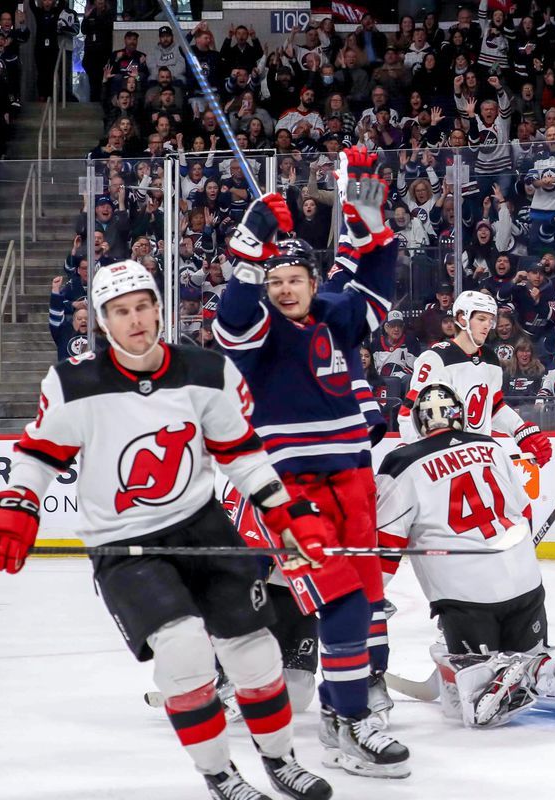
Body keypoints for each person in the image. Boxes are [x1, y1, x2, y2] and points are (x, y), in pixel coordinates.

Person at [0, 260, 332, 800]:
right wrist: (17, 501)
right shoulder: (74, 384)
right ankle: (219, 773)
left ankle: (280, 760)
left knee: (256, 653)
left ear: (159, 308)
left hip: (202, 526)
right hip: (124, 543)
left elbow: (240, 452)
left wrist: (285, 509)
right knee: (184, 653)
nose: (136, 320)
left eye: (143, 306)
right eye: (121, 311)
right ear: (102, 321)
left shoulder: (205, 371)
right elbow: (37, 455)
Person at [214, 148, 410, 779]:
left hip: (353, 479)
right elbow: (232, 320)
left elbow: (376, 284)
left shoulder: (335, 315)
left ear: (310, 279)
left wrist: (370, 217)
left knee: (365, 600)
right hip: (289, 493)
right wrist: (252, 243)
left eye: (294, 278)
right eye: (275, 283)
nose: (285, 288)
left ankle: (341, 711)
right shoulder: (260, 334)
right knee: (341, 598)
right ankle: (348, 717)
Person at [377, 382, 555, 728]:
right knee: (531, 660)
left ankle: (490, 673)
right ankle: (549, 669)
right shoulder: (490, 446)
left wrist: (365, 596)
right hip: (525, 585)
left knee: (458, 704)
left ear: (419, 423)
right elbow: (522, 514)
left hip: (466, 598)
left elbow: (385, 545)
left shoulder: (401, 463)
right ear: (460, 416)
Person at [398, 290, 553, 469]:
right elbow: (408, 414)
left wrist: (520, 430)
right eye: (481, 319)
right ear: (462, 319)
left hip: (478, 457)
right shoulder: (435, 358)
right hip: (444, 462)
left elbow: (493, 408)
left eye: (490, 320)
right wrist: (416, 449)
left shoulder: (491, 360)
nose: (487, 325)